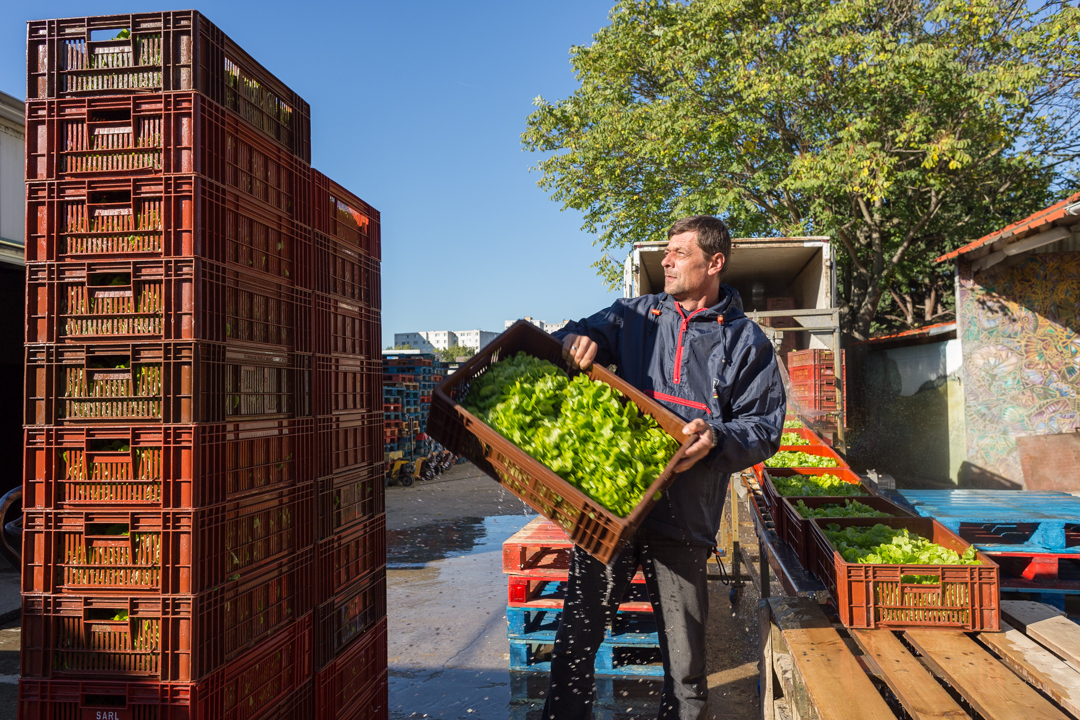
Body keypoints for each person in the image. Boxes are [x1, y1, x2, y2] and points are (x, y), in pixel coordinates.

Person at [543, 215, 785, 720]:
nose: (666, 260)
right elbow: (577, 335)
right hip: (612, 510)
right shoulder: (633, 317)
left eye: (679, 251)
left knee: (686, 669)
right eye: (666, 251)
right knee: (574, 647)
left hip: (685, 520)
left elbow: (764, 428)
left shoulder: (746, 343)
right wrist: (572, 341)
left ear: (713, 262)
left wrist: (718, 437)